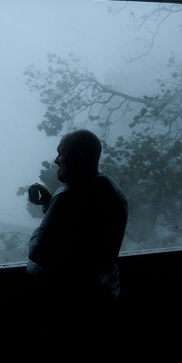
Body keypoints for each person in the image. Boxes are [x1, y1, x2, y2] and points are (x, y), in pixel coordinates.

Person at [26, 129, 128, 338]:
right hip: (104, 300)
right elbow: (79, 237)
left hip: (69, 312)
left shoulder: (68, 194)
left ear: (80, 157)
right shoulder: (109, 187)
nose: (56, 160)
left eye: (61, 153)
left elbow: (39, 253)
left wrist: (38, 229)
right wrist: (49, 204)